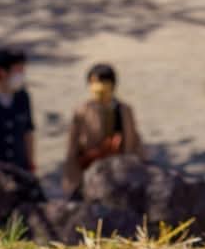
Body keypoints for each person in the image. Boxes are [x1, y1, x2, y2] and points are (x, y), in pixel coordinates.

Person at [61, 61, 145, 197]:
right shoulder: (82, 111)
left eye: (102, 81)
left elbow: (135, 140)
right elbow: (72, 149)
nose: (98, 87)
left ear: (112, 84)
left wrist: (142, 168)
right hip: (91, 175)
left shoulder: (124, 110)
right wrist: (72, 182)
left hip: (121, 174)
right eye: (93, 82)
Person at [0, 47, 35, 174]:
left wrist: (31, 164)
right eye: (18, 71)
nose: (22, 75)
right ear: (2, 72)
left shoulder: (22, 97)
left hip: (19, 170)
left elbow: (28, 132)